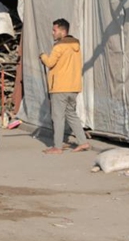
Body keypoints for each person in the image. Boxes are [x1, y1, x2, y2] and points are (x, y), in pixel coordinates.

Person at [39, 18, 91, 154]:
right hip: (73, 86)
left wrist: (43, 56)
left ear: (63, 31)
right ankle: (83, 142)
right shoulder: (76, 45)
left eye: (54, 30)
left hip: (59, 87)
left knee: (58, 117)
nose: (52, 33)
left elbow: (50, 63)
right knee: (71, 114)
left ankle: (57, 146)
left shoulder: (59, 46)